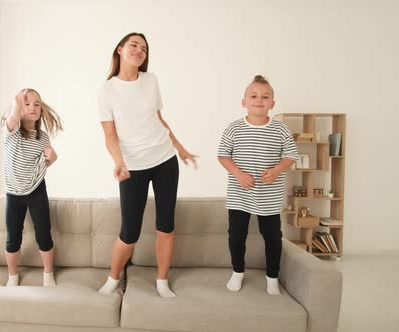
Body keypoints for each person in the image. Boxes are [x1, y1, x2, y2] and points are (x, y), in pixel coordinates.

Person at [97, 32, 198, 298]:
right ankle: (112, 278)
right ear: (119, 49)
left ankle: (162, 281)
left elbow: (159, 120)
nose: (139, 50)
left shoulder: (151, 81)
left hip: (165, 160)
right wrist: (119, 163)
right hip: (133, 166)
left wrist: (181, 149)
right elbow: (110, 135)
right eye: (134, 45)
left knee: (166, 226)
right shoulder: (106, 90)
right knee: (129, 232)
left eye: (144, 48)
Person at [217, 75, 298, 295]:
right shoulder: (234, 128)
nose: (259, 100)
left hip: (269, 196)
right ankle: (237, 272)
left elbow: (291, 156)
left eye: (265, 97)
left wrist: (276, 171)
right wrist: (239, 174)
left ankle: (272, 276)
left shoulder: (280, 129)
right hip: (239, 194)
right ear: (244, 102)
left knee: (272, 237)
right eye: (253, 96)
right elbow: (223, 155)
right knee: (236, 235)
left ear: (272, 103)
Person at [1, 88, 63, 287]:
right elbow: (11, 119)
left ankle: (48, 274)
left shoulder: (42, 138)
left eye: (36, 104)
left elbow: (42, 163)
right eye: (27, 104)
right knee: (13, 237)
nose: (33, 108)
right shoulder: (11, 131)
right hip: (13, 193)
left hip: (36, 190)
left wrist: (52, 159)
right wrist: (15, 107)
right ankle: (12, 276)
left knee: (43, 233)